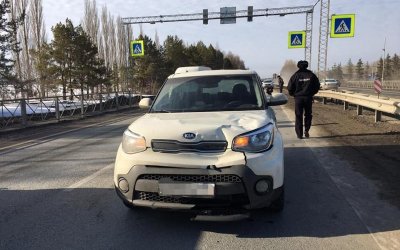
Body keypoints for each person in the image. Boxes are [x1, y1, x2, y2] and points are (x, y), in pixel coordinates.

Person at [287, 60, 320, 139]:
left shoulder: (295, 75)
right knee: (308, 115)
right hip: (308, 98)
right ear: (307, 65)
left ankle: (299, 134)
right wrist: (311, 93)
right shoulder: (311, 75)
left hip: (298, 98)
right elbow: (317, 86)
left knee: (298, 116)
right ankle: (307, 130)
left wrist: (293, 94)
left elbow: (290, 87)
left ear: (298, 66)